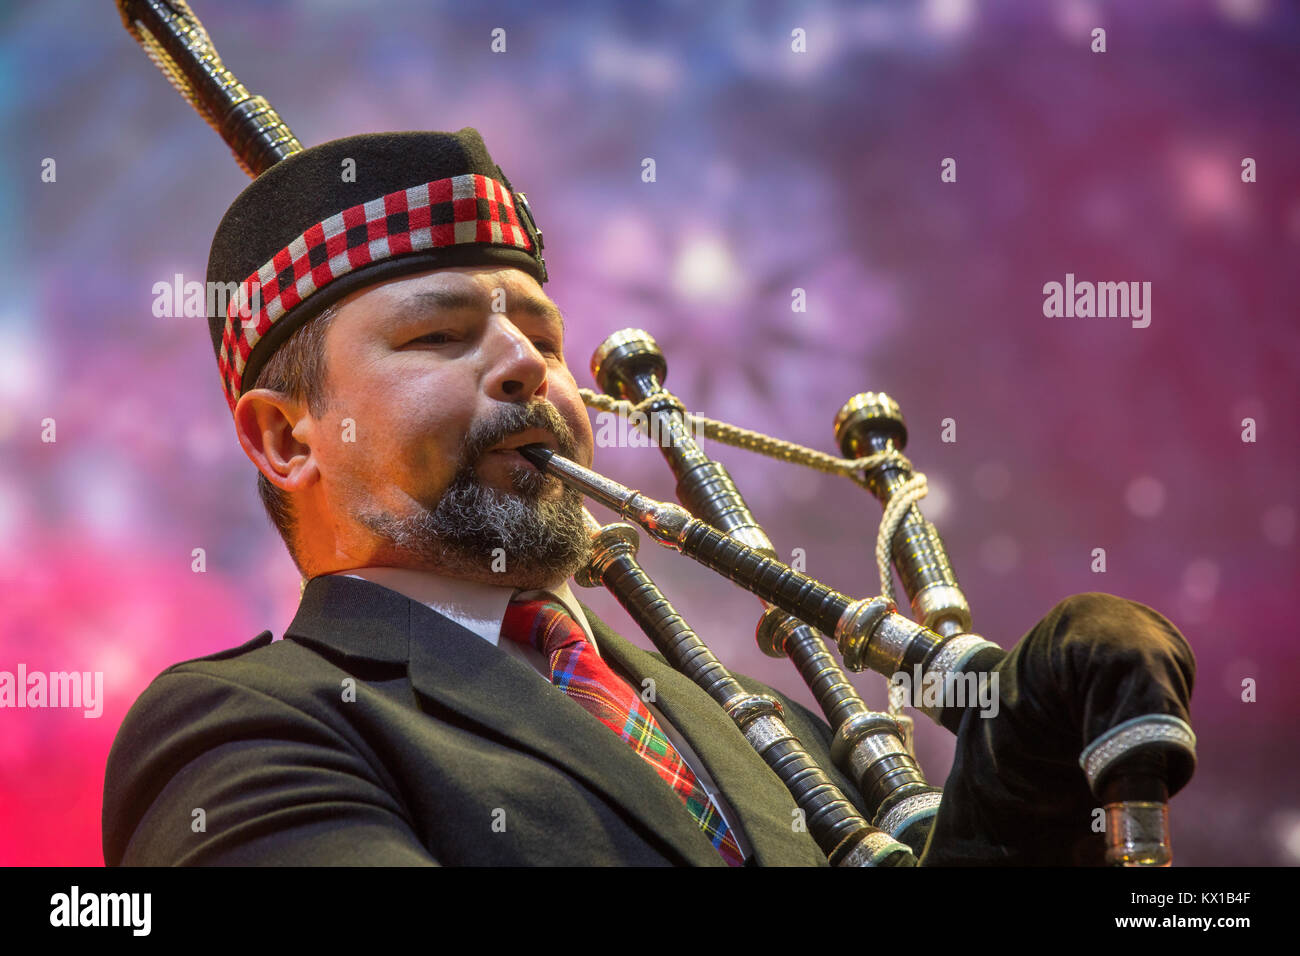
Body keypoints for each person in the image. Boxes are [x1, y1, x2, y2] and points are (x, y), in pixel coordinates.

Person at [102, 128, 1197, 867]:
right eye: (438, 336)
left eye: (541, 334)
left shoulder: (758, 736)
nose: (528, 367)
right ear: (288, 436)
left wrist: (1020, 792)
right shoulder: (244, 726)